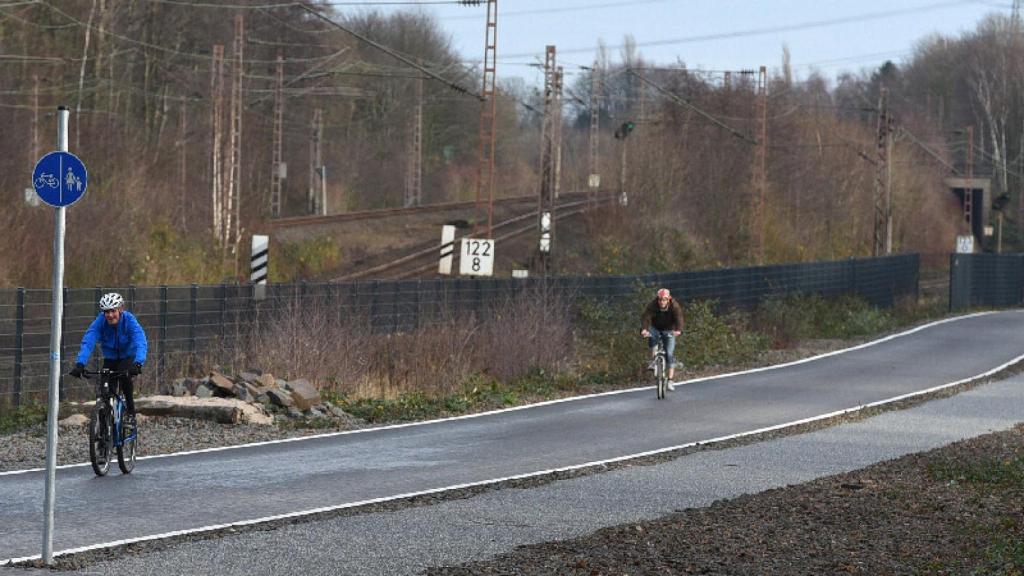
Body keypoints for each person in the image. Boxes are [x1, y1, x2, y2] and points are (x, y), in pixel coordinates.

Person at [69, 292, 148, 422]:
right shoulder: (100, 322)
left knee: (124, 376)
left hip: (127, 357)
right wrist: (80, 364)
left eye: (113, 311)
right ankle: (105, 422)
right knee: (105, 390)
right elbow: (88, 342)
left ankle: (130, 412)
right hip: (110, 358)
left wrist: (138, 363)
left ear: (120, 309)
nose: (110, 315)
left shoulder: (129, 321)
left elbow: (141, 341)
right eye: (106, 312)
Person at [641, 288, 684, 390]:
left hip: (669, 329)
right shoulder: (653, 305)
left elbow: (679, 318)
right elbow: (646, 317)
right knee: (651, 336)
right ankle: (654, 361)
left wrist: (678, 330)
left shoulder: (674, 306)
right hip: (656, 327)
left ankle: (670, 380)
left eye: (664, 299)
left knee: (669, 353)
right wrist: (644, 330)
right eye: (660, 299)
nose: (662, 302)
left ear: (668, 299)